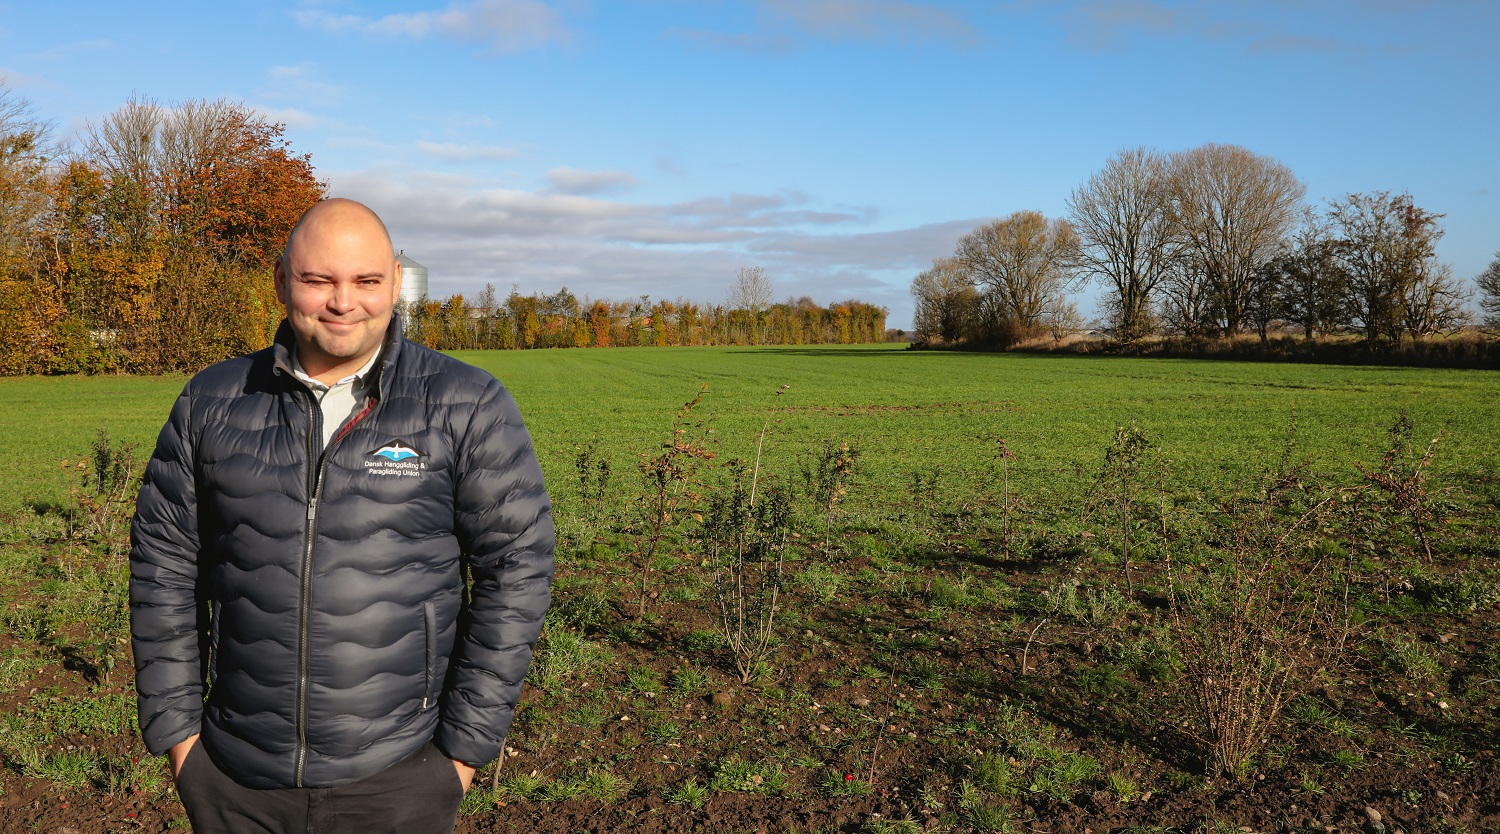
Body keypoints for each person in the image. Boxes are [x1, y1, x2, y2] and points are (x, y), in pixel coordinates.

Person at [129, 198, 554, 833]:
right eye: (318, 279)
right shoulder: (211, 401)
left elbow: (517, 569)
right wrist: (180, 744)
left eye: (366, 281)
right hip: (233, 776)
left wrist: (462, 754)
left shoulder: (466, 403)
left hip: (401, 775)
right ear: (281, 282)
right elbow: (162, 569)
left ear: (395, 285)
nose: (343, 301)